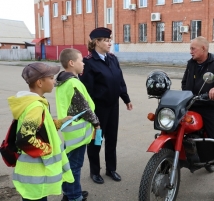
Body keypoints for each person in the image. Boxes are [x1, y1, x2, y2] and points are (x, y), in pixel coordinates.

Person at [7, 62, 74, 201]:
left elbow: (41, 127)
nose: (54, 81)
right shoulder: (35, 106)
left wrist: (59, 122)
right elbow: (25, 138)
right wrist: (46, 148)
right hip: (35, 175)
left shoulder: (35, 102)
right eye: (51, 78)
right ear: (39, 82)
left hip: (33, 176)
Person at [181, 36, 214, 201]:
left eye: (193, 49)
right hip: (190, 104)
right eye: (190, 49)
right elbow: (184, 83)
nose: (190, 51)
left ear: (204, 49)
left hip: (208, 107)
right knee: (172, 126)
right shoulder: (191, 64)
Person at [79, 27, 133, 184]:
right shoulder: (88, 62)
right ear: (97, 42)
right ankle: (95, 172)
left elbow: (119, 81)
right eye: (107, 40)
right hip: (98, 109)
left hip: (113, 106)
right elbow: (86, 90)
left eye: (110, 40)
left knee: (112, 139)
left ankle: (111, 169)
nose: (110, 43)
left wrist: (126, 98)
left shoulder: (112, 59)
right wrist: (90, 112)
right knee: (96, 140)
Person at [56, 48, 101, 201]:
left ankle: (71, 192)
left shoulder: (63, 81)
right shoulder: (73, 83)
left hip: (69, 131)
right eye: (81, 61)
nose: (83, 64)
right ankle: (74, 197)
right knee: (74, 166)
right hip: (77, 134)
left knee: (69, 165)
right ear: (71, 63)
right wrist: (96, 123)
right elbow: (85, 108)